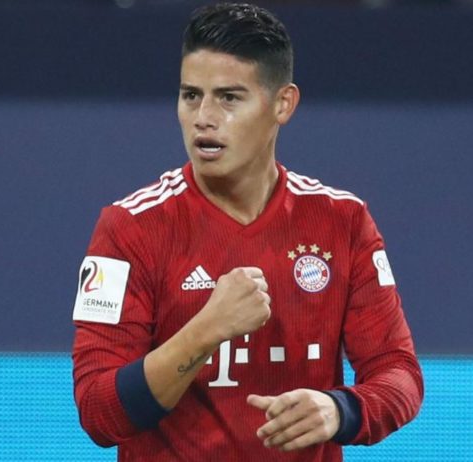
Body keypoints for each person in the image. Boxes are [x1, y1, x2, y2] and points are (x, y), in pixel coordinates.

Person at [72, 3, 423, 461]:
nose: (203, 117)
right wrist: (207, 329)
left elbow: (399, 373)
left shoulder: (343, 221)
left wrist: (341, 410)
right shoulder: (128, 227)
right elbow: (99, 412)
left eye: (229, 98)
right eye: (190, 95)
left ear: (283, 104)